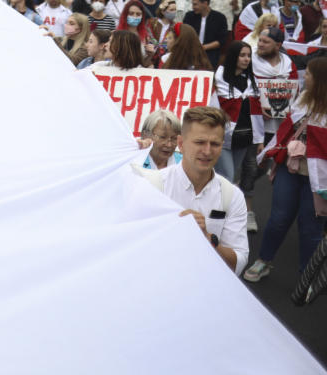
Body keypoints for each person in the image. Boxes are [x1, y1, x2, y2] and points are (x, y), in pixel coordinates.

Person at [139, 106, 248, 274]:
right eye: (200, 142)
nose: (207, 151)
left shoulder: (232, 196)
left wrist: (208, 239)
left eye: (215, 144)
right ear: (181, 144)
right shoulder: (152, 185)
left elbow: (238, 264)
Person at [247, 57, 327, 281]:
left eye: (309, 73)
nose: (305, 76)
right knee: (279, 218)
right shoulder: (303, 98)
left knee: (310, 227)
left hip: (319, 179)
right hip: (290, 169)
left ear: (319, 79)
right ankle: (263, 260)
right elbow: (286, 130)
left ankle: (307, 276)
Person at [213, 41, 264, 231]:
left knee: (229, 177)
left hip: (244, 138)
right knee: (227, 177)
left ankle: (222, 214)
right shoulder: (217, 78)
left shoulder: (251, 80)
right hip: (223, 139)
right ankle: (221, 217)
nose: (246, 59)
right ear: (234, 56)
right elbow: (213, 109)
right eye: (242, 55)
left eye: (248, 55)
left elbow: (256, 112)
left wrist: (258, 140)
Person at [183, 0, 228, 68]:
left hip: (210, 53)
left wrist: (203, 48)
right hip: (190, 52)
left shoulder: (220, 18)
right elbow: (184, 35)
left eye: (195, 4)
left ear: (205, 3)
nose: (193, 7)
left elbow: (221, 40)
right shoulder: (189, 16)